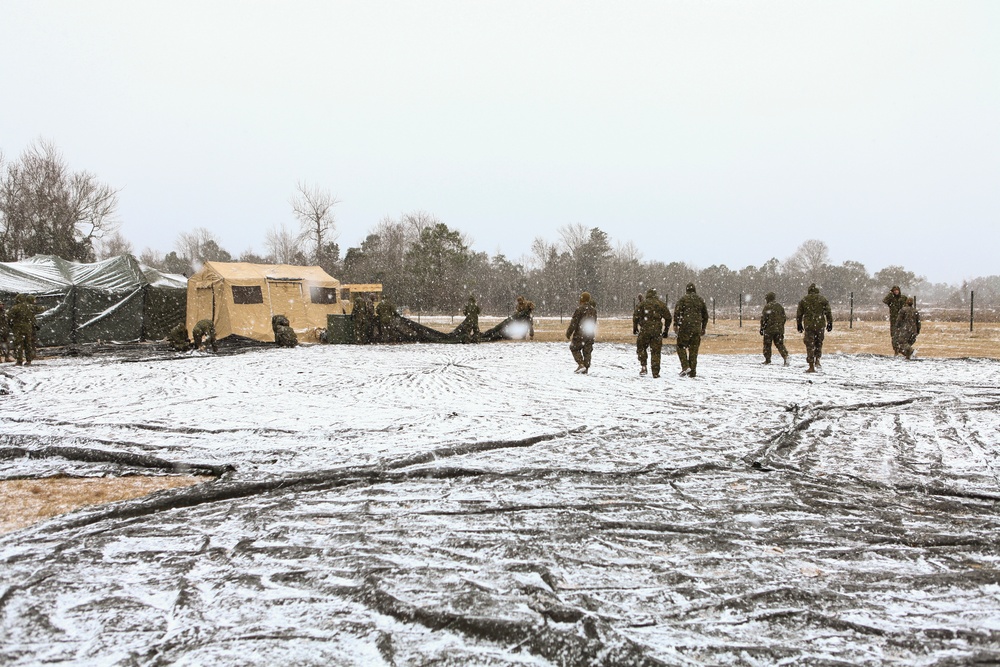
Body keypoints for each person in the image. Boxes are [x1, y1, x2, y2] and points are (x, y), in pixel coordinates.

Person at [632, 288, 671, 378]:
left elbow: (636, 316)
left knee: (641, 347)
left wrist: (635, 327)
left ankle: (643, 366)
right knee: (656, 352)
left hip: (644, 329)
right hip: (657, 331)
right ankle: (655, 372)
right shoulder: (660, 304)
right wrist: (666, 331)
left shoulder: (643, 304)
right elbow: (668, 318)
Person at [673, 283, 709, 378]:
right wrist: (703, 327)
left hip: (685, 327)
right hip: (696, 329)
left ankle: (685, 366)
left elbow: (677, 312)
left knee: (680, 346)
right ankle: (692, 372)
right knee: (693, 350)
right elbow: (705, 316)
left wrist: (676, 325)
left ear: (687, 290)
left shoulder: (683, 299)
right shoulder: (700, 300)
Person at [796, 283, 833, 373]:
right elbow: (828, 312)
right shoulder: (822, 299)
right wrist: (830, 323)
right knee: (819, 343)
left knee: (810, 345)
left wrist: (799, 324)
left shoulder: (804, 300)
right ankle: (817, 360)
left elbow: (799, 314)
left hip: (809, 326)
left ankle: (811, 365)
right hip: (820, 325)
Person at [566, 291, 597, 374]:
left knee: (574, 348)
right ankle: (586, 368)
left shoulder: (579, 309)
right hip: (590, 334)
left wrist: (569, 333)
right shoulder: (593, 310)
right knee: (587, 351)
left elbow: (574, 323)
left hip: (580, 334)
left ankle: (581, 365)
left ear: (581, 299)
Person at [7, 294, 40, 366]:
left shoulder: (15, 308)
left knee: (19, 344)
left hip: (18, 328)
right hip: (28, 328)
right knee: (28, 344)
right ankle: (29, 360)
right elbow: (38, 310)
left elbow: (9, 318)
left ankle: (19, 360)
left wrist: (12, 326)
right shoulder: (30, 307)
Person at [759, 292, 789, 366]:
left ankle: (767, 359)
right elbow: (784, 318)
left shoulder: (767, 306)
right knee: (780, 344)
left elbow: (764, 319)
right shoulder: (779, 306)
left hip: (769, 329)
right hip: (779, 329)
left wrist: (762, 328)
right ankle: (785, 357)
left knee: (767, 344)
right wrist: (780, 325)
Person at [883, 285, 908, 355]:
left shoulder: (903, 298)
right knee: (894, 336)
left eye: (897, 290)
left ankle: (903, 350)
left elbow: (908, 305)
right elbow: (884, 300)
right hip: (894, 320)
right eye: (894, 290)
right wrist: (890, 294)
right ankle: (896, 350)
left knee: (903, 336)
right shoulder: (891, 298)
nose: (896, 291)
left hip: (902, 320)